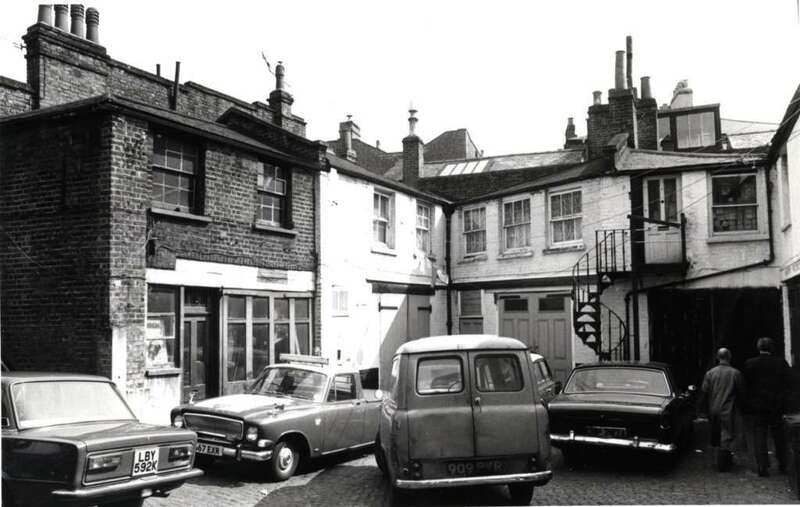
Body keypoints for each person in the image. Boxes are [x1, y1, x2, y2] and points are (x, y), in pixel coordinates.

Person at [743, 337, 790, 477]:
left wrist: (749, 403)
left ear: (759, 348)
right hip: (776, 405)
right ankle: (783, 464)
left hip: (758, 406)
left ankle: (762, 466)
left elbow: (746, 386)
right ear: (772, 348)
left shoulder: (750, 364)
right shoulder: (780, 363)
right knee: (779, 436)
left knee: (759, 435)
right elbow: (789, 382)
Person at [700, 348, 746, 472]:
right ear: (729, 357)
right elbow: (741, 392)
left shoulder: (710, 373)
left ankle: (719, 460)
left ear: (717, 357)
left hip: (714, 407)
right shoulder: (735, 373)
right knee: (727, 435)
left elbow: (704, 390)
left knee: (716, 434)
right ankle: (724, 463)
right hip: (729, 408)